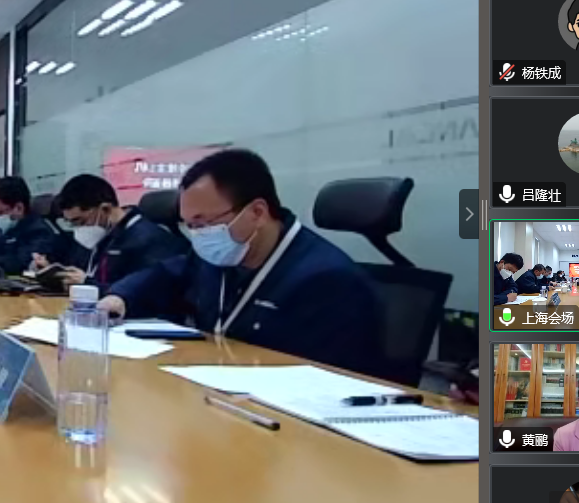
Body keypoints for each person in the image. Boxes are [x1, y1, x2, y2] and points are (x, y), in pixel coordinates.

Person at [98, 149, 383, 374]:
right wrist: (120, 297)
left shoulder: (328, 281)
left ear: (256, 212)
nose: (198, 236)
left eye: (203, 223)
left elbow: (322, 381)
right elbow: (167, 274)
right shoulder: (223, 254)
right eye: (189, 226)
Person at [34, 173, 188, 291]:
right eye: (71, 223)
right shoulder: (106, 235)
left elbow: (144, 294)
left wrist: (88, 284)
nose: (79, 229)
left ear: (105, 209)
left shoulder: (149, 239)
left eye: (80, 221)